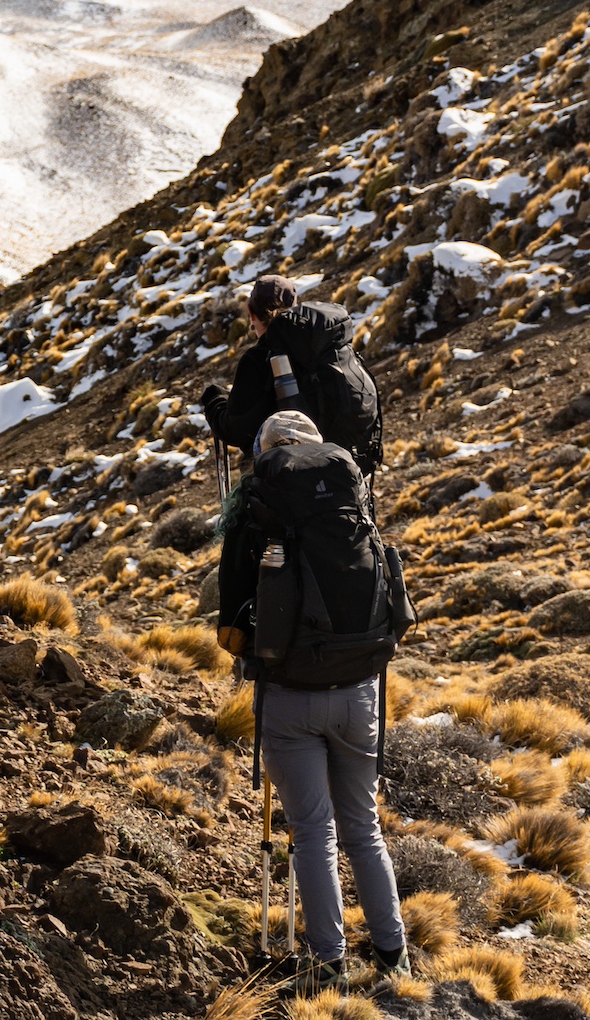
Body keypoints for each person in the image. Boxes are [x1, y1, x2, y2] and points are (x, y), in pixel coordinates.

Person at [215, 408, 408, 986]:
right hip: (360, 692)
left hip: (291, 698)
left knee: (313, 831)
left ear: (265, 456)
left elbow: (230, 625)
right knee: (363, 827)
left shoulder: (257, 511)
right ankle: (394, 955)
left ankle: (329, 963)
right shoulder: (351, 501)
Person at [201, 275, 382, 471]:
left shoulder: (258, 359)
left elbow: (236, 430)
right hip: (349, 472)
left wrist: (214, 402)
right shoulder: (328, 346)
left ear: (251, 313)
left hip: (295, 477)